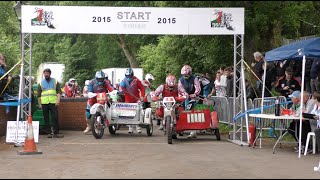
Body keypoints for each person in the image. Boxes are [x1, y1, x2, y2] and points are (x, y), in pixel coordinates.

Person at [37, 68, 62, 137]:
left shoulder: (55, 81)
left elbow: (59, 92)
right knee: (46, 118)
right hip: (44, 103)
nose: (46, 74)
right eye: (45, 73)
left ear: (50, 74)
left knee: (55, 117)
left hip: (53, 102)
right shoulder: (41, 83)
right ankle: (48, 132)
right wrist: (39, 104)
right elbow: (38, 95)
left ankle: (55, 131)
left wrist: (58, 100)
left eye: (47, 73)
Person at [119, 68, 145, 133]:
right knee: (128, 113)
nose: (128, 77)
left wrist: (142, 96)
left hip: (136, 99)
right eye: (127, 76)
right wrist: (122, 89)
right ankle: (130, 127)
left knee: (139, 111)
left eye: (130, 76)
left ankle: (138, 126)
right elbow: (120, 89)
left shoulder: (136, 80)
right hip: (128, 100)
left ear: (132, 75)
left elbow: (142, 88)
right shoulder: (123, 81)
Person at [178, 65, 201, 138]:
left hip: (193, 97)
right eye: (184, 75)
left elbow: (197, 87)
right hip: (185, 97)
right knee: (182, 111)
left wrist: (195, 93)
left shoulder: (194, 79)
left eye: (187, 75)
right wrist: (185, 94)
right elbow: (180, 88)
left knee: (192, 111)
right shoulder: (180, 80)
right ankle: (180, 127)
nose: (185, 76)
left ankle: (193, 131)